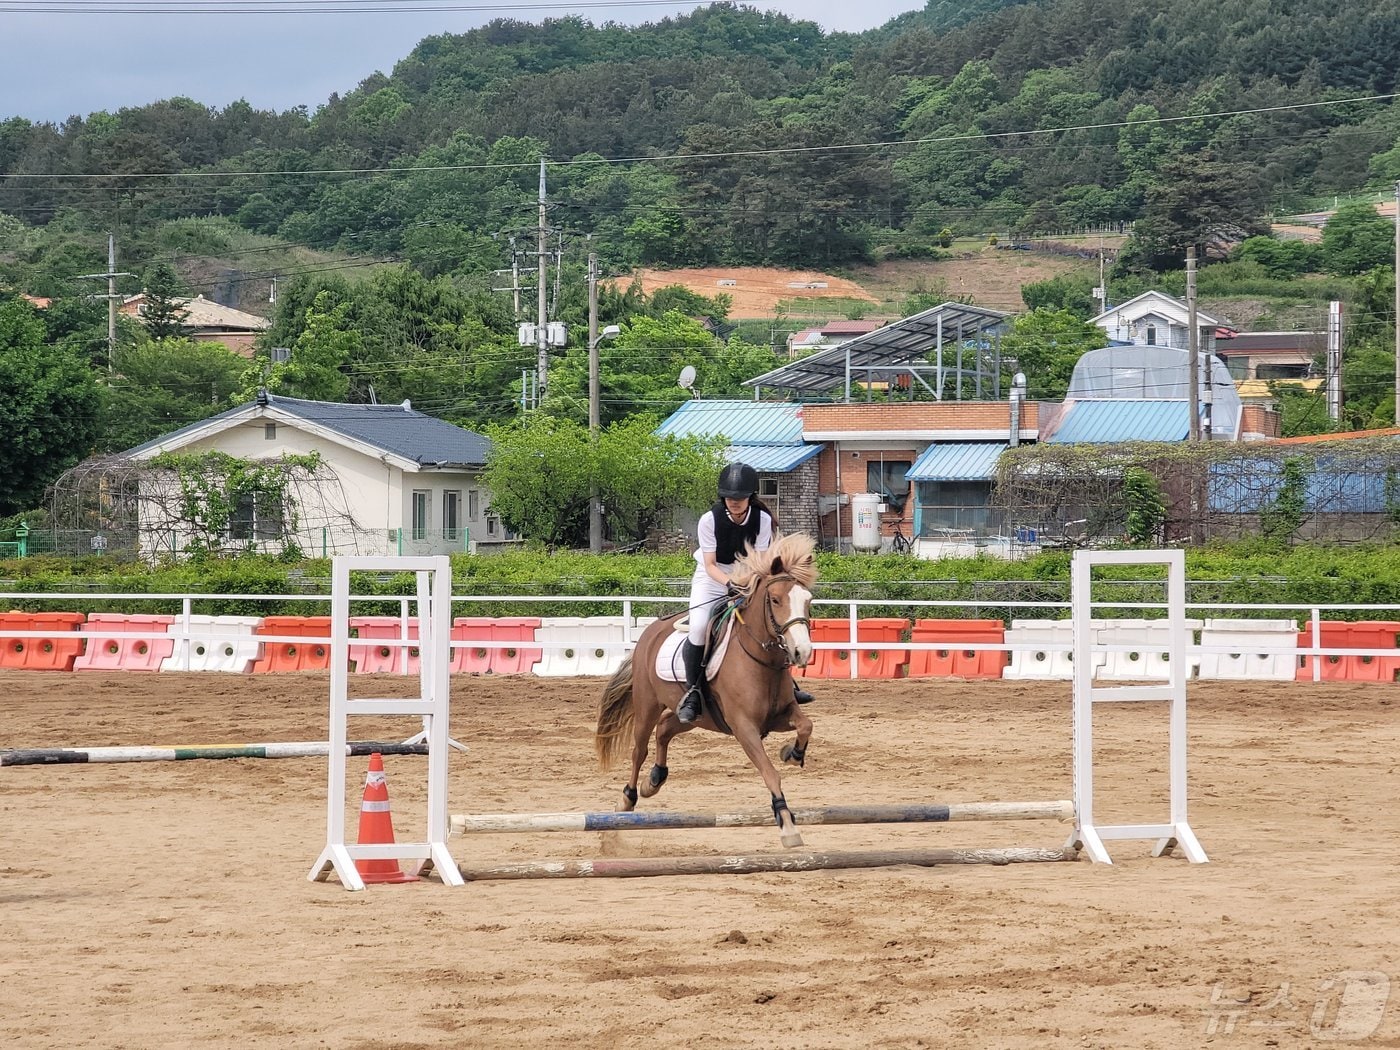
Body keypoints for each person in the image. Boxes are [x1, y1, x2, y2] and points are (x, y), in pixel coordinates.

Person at [676, 462, 814, 724]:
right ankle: (693, 691)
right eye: (729, 497)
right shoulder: (709, 520)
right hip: (711, 578)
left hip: (747, 574)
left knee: (769, 621)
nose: (734, 502)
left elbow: (759, 561)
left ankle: (788, 687)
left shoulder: (762, 520)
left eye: (739, 498)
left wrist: (747, 584)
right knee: (699, 627)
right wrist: (729, 585)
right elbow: (710, 565)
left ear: (750, 497)